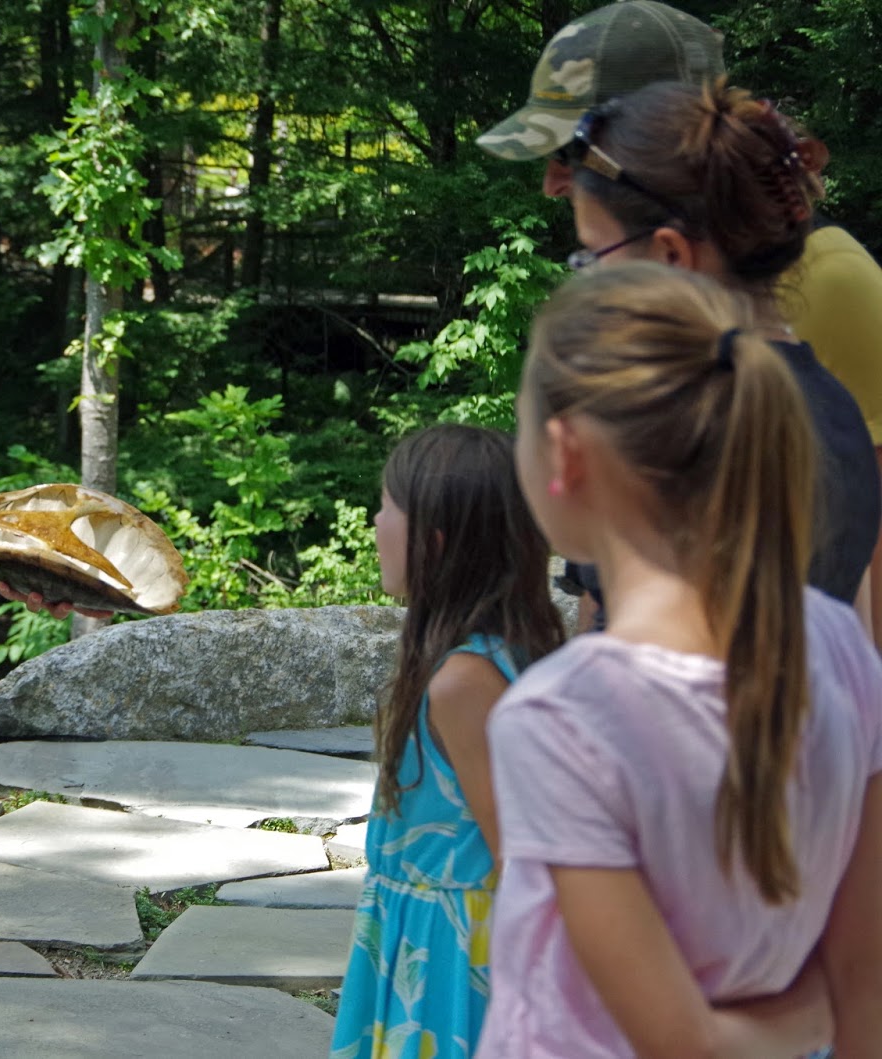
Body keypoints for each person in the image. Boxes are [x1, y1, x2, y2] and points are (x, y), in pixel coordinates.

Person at [479, 260, 882, 1056]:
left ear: (563, 453)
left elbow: (682, 1044)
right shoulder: (842, 648)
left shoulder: (559, 718)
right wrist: (817, 1014)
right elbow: (863, 979)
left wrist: (814, 1012)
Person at [479, 0, 882, 640]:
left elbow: (859, 565)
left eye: (575, 148)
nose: (552, 182)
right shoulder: (661, 287)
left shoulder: (826, 283)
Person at [330, 424, 563, 1059]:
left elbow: (521, 857)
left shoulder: (464, 683)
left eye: (386, 506)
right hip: (421, 938)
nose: (375, 522)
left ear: (433, 542)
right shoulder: (475, 660)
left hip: (452, 965)